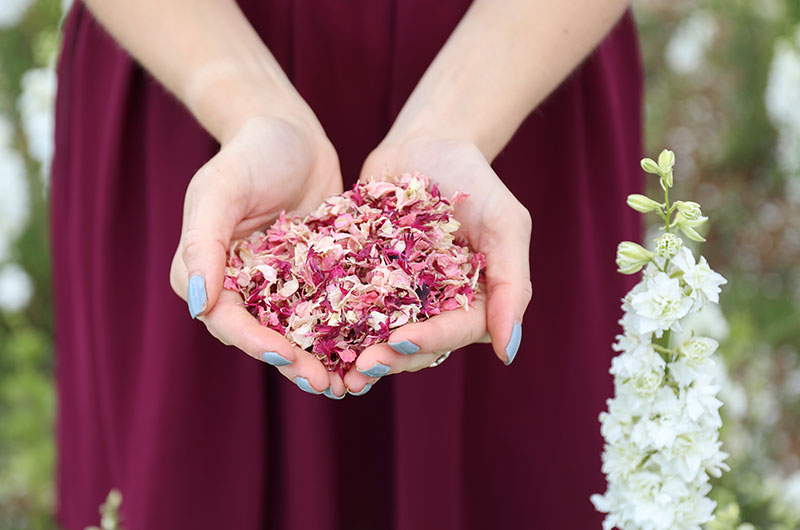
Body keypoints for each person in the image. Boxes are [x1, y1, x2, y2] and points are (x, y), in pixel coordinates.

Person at [52, 0, 642, 528]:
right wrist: (246, 103)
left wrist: (455, 122)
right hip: (190, 54)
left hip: (517, 66)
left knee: (517, 472)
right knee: (186, 468)